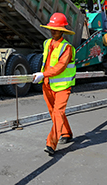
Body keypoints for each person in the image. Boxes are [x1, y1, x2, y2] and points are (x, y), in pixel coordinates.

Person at [32, 12, 76, 156]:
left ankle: (51, 143)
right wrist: (42, 75)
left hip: (63, 87)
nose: (52, 31)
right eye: (51, 28)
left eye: (55, 29)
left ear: (62, 30)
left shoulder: (67, 48)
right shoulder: (47, 43)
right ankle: (66, 133)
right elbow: (46, 62)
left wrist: (43, 74)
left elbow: (60, 67)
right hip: (48, 84)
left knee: (58, 113)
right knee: (54, 112)